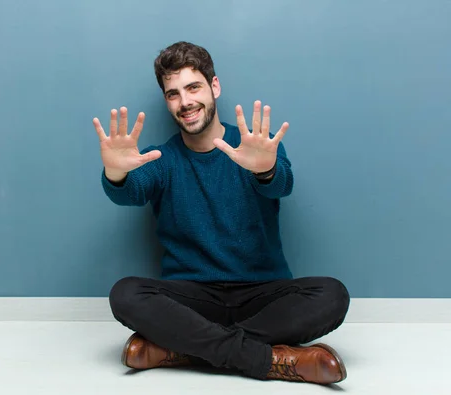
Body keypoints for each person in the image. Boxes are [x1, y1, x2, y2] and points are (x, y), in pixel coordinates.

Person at [92, 41, 350, 385]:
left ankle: (183, 348)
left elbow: (281, 184)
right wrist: (116, 173)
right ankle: (269, 359)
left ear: (214, 87)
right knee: (125, 294)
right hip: (192, 298)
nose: (185, 102)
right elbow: (130, 192)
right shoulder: (160, 159)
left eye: (193, 87)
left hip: (263, 294)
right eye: (173, 94)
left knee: (332, 294)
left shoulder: (256, 145)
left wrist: (266, 169)